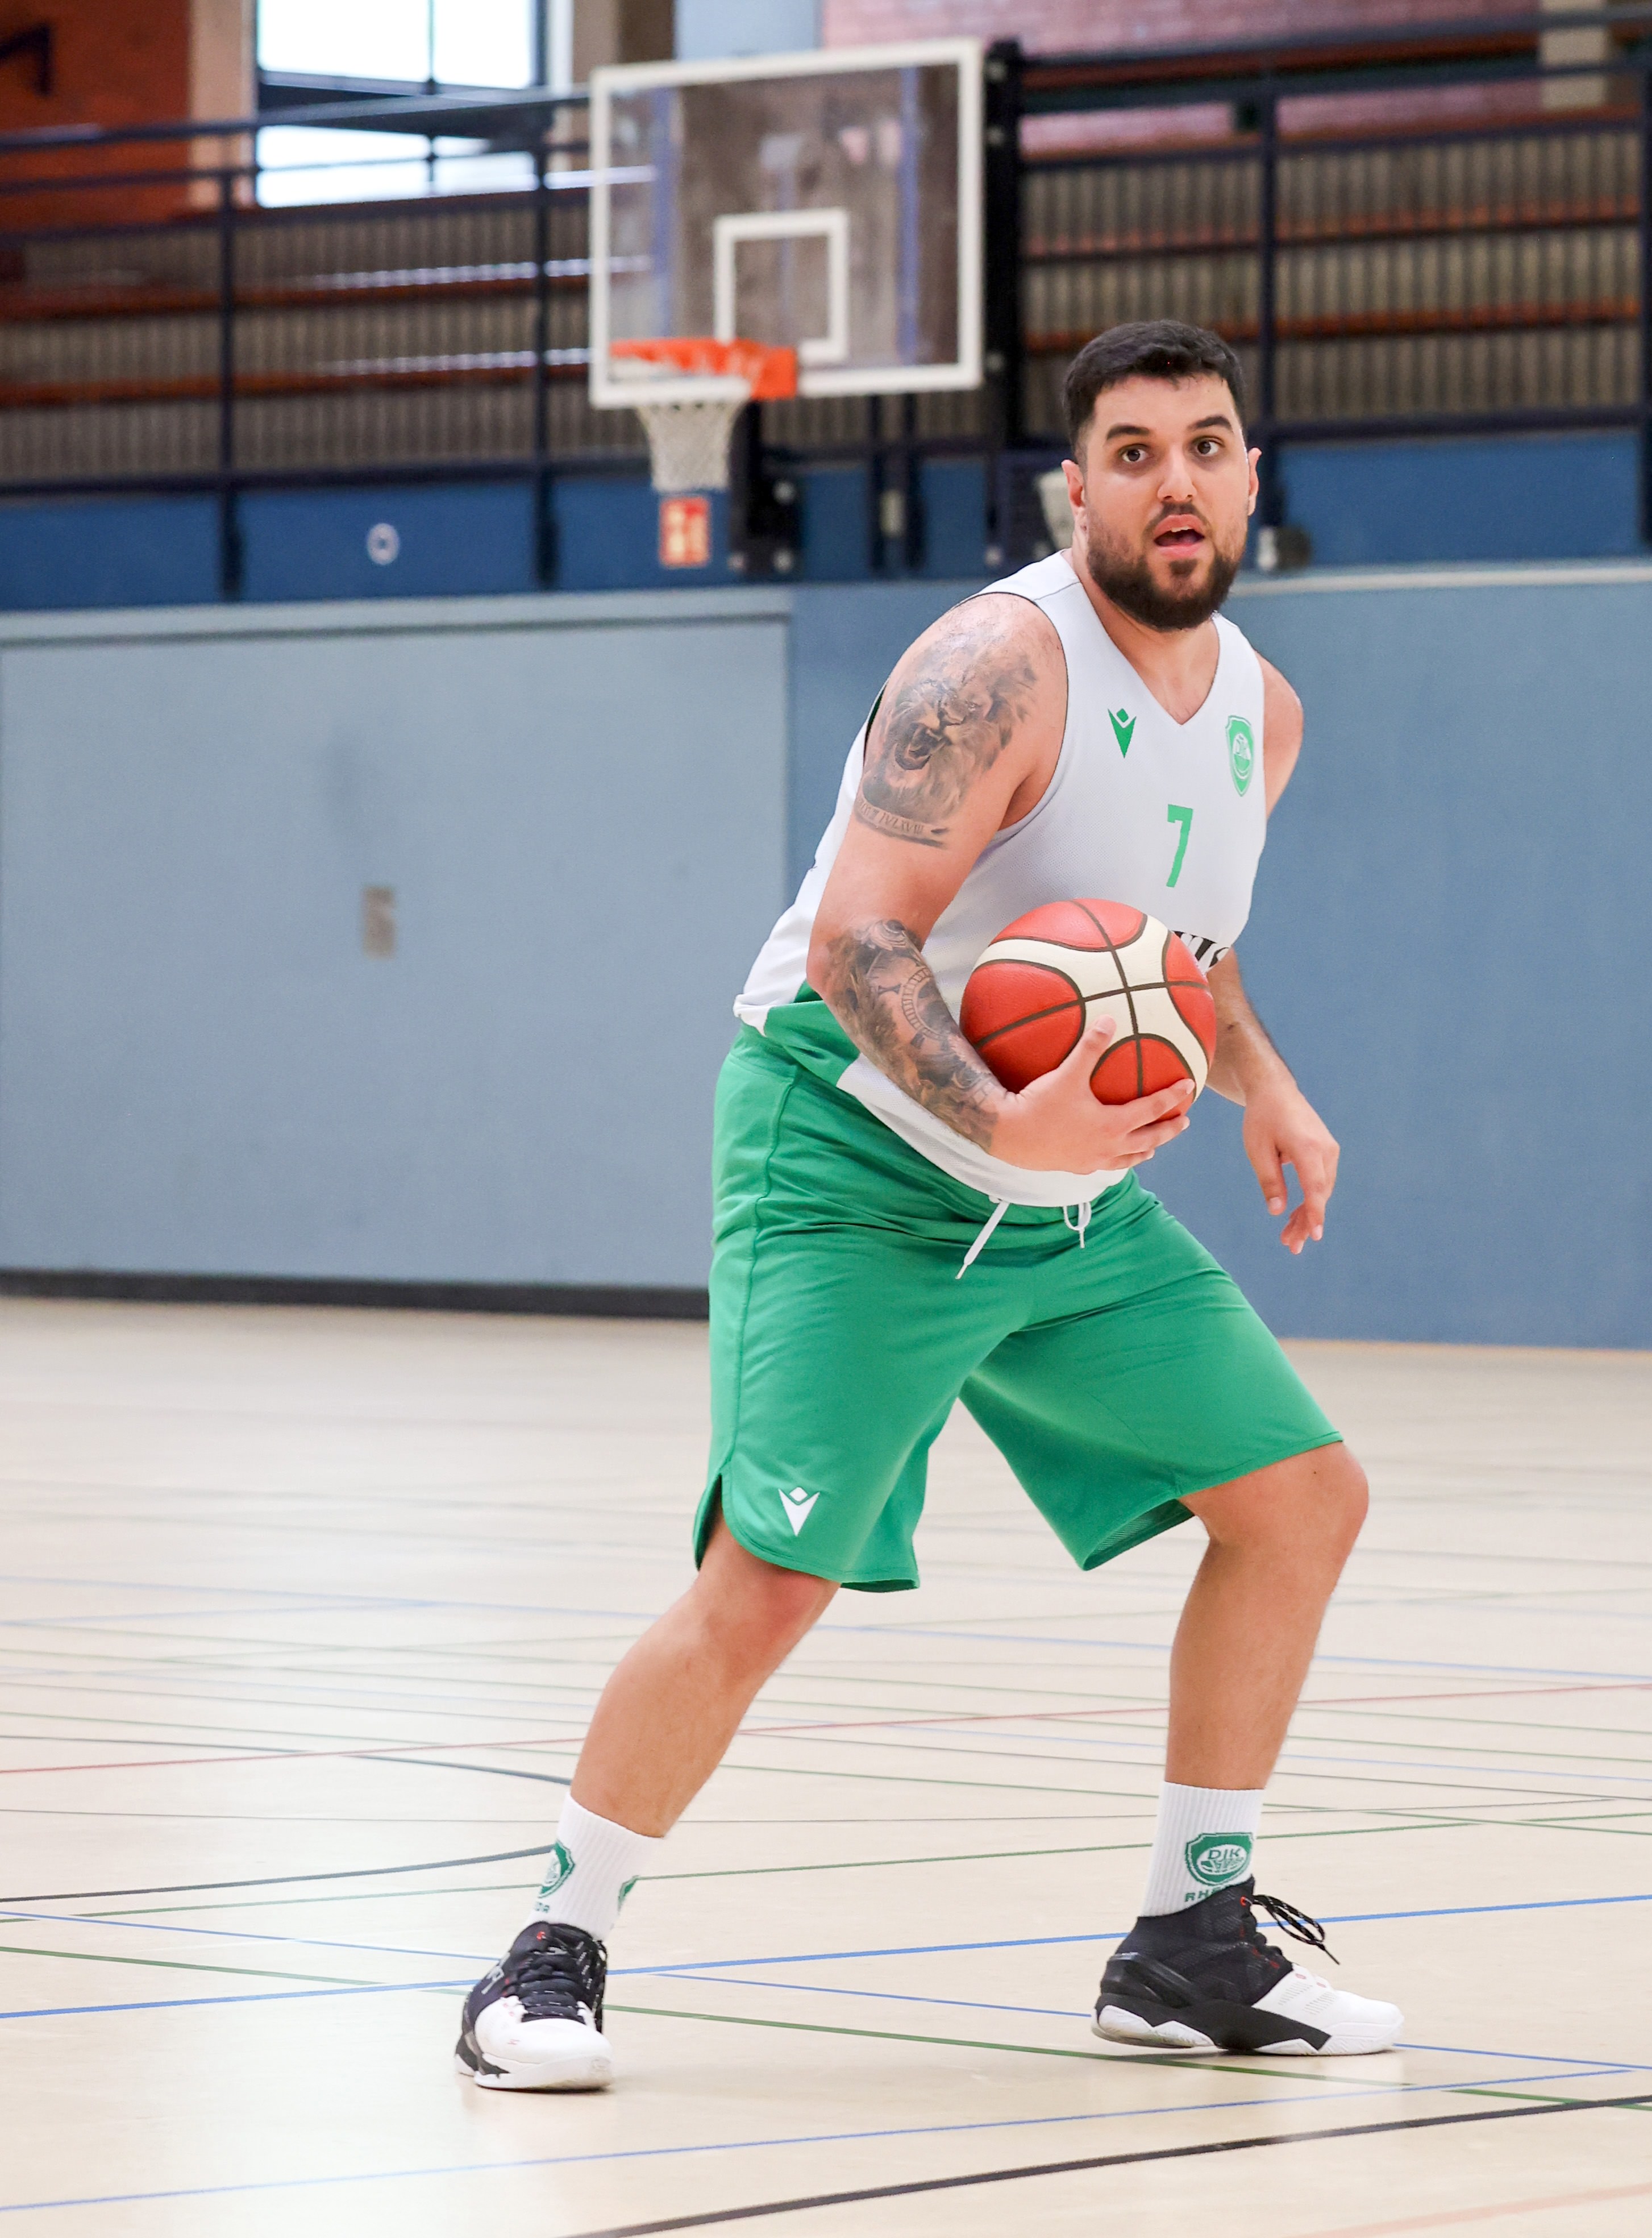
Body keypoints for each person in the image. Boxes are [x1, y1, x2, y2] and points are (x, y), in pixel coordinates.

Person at [456, 318, 1402, 2092]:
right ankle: (546, 1952)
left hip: (1060, 1194)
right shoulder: (992, 668)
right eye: (1133, 454)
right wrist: (1000, 1120)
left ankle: (1191, 1937)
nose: (1175, 482)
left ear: (1249, 475)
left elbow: (1177, 947)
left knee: (1299, 1499)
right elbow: (858, 937)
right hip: (853, 1157)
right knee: (770, 1578)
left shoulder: (1260, 714)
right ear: (1075, 489)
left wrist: (1259, 1079)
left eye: (1205, 446)